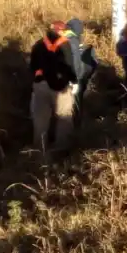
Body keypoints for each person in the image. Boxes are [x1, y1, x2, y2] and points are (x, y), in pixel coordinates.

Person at [28, 20, 79, 153]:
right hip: (60, 88)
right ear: (60, 31)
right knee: (64, 117)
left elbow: (32, 66)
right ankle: (62, 150)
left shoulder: (38, 44)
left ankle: (40, 151)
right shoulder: (64, 45)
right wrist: (74, 81)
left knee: (40, 119)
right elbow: (69, 65)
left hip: (40, 86)